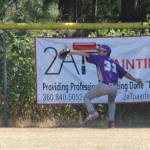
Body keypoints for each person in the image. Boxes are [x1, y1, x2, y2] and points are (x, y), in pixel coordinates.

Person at [69, 44, 142, 128]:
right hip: (114, 88)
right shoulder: (114, 62)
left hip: (104, 85)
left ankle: (93, 112)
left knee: (87, 98)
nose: (98, 51)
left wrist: (71, 52)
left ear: (106, 52)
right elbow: (125, 73)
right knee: (111, 102)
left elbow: (86, 54)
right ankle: (111, 123)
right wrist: (135, 80)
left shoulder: (100, 58)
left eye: (100, 50)